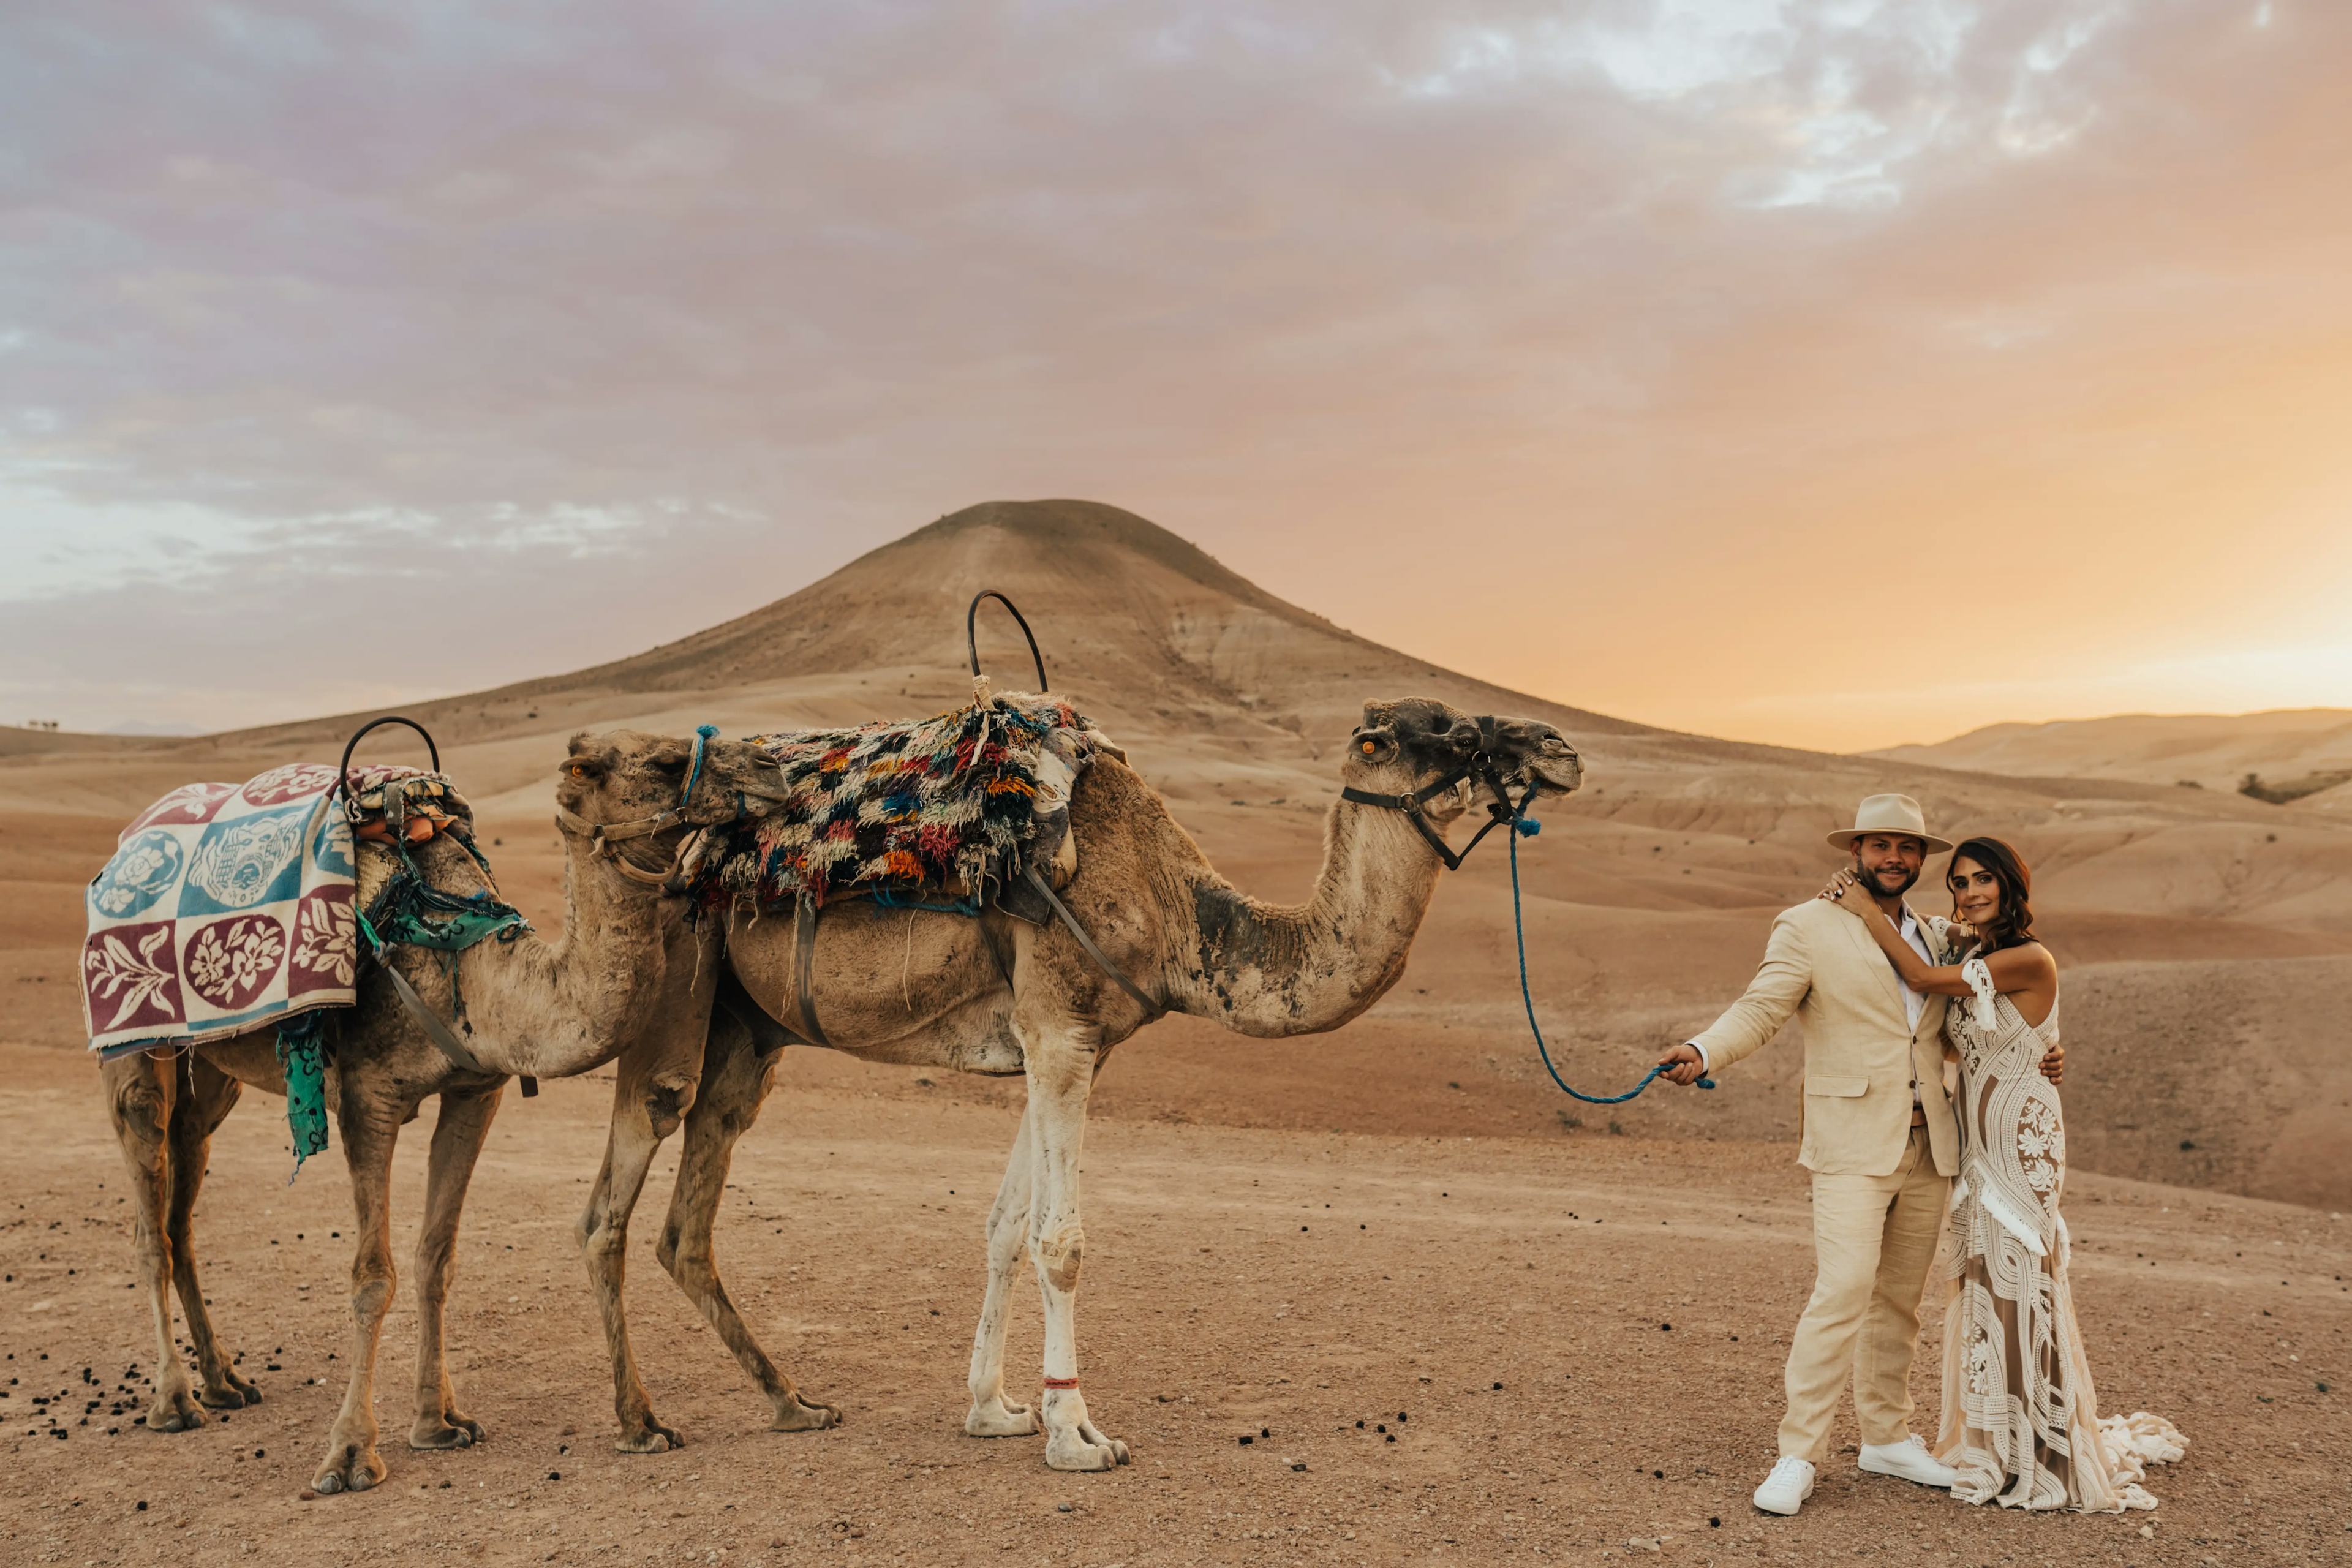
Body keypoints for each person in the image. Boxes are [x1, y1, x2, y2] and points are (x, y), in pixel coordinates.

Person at [1653, 794, 2061, 1517]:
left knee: (1899, 1301)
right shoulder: (1808, 925)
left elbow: (1985, 1012)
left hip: (1932, 1140)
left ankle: (1887, 1437)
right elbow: (1762, 1006)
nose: (1894, 858)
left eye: (1907, 848)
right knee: (1841, 1290)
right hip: (1849, 1142)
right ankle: (1798, 1453)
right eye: (1880, 846)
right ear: (1857, 853)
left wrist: (2044, 1051)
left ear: (1920, 859)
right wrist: (1703, 1047)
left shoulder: (1944, 936)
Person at [1822, 835, 2184, 1510]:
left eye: (1982, 880)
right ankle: (1998, 1438)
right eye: (1958, 882)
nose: (1968, 893)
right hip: (1976, 1139)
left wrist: (1868, 912)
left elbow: (1925, 982)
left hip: (2023, 1138)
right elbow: (1956, 1033)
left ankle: (2040, 1448)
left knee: (2021, 1281)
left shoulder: (2028, 956)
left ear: (2011, 886)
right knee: (1986, 1280)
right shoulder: (1975, 955)